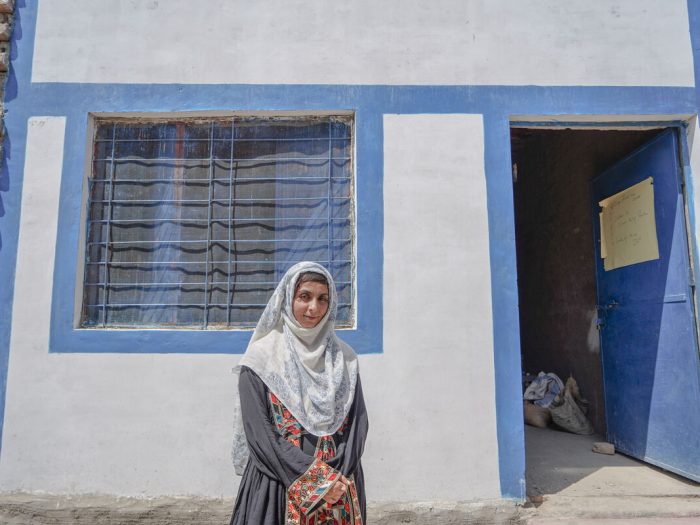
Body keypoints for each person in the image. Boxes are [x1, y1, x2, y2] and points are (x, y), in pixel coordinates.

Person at [230, 261, 368, 525]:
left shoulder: (345, 360)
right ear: (287, 297)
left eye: (322, 299)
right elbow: (260, 436)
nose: (314, 308)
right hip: (279, 485)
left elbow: (357, 427)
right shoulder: (261, 360)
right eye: (304, 296)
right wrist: (316, 479)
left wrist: (335, 477)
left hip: (339, 487)